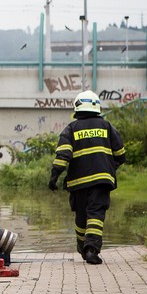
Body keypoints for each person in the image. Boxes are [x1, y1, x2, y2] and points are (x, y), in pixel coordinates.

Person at [49, 90, 125, 265]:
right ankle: (91, 249)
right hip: (101, 181)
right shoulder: (107, 127)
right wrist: (109, 168)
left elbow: (63, 156)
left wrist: (54, 176)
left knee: (81, 217)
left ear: (77, 107)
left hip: (78, 183)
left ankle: (83, 245)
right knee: (96, 215)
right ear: (96, 106)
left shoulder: (71, 129)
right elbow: (120, 154)